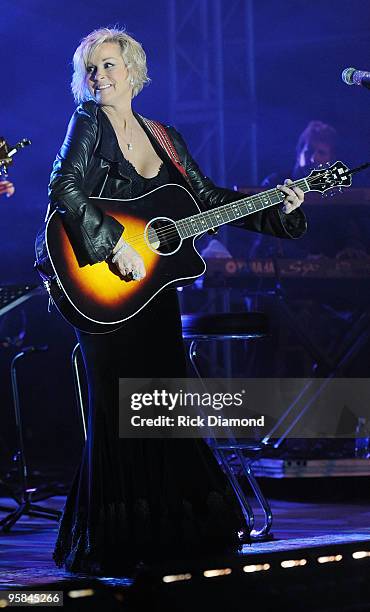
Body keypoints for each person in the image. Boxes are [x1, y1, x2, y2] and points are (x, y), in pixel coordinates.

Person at [43, 27, 306, 576]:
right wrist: (116, 242)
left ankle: (170, 534)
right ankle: (116, 541)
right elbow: (64, 190)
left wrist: (276, 207)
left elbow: (206, 200)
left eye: (111, 66)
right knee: (119, 414)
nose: (101, 77)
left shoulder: (165, 136)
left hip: (156, 291)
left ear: (134, 72)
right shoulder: (87, 122)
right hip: (102, 287)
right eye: (91, 69)